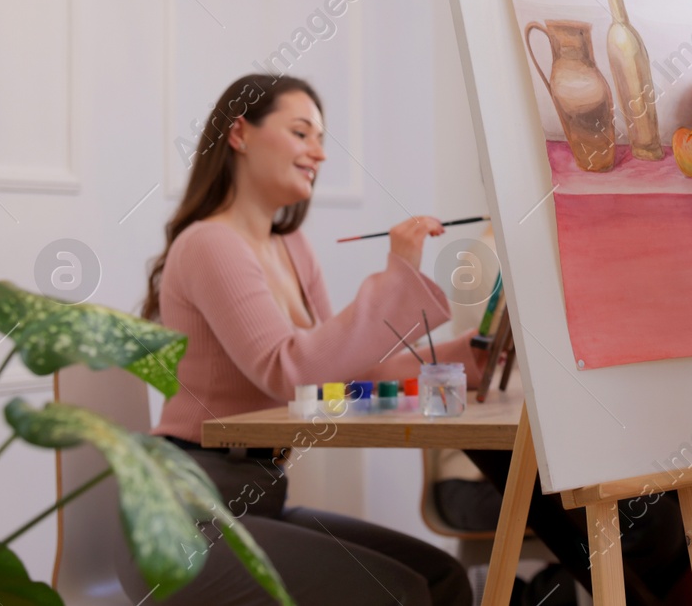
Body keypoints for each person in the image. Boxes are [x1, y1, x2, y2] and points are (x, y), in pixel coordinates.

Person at [122, 73, 481, 606]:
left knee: (441, 578)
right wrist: (399, 273)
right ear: (240, 135)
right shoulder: (209, 244)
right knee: (399, 593)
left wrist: (470, 357)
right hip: (185, 516)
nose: (319, 152)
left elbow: (343, 375)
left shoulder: (292, 249)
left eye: (321, 139)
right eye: (302, 133)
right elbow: (286, 371)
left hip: (257, 502)